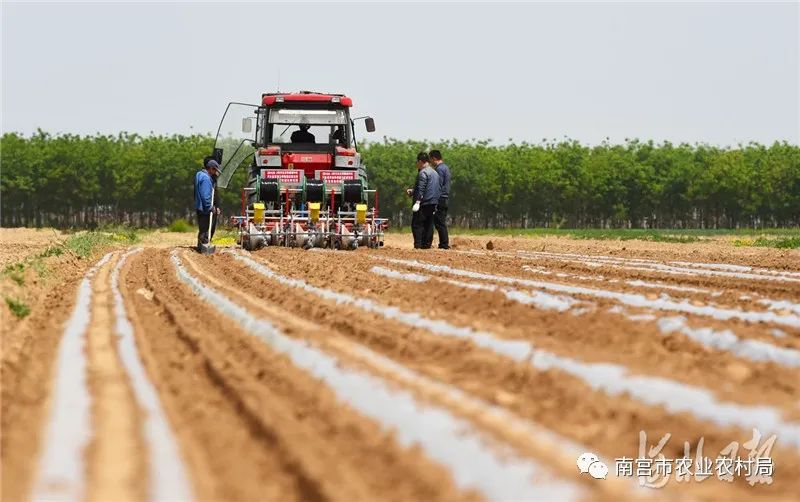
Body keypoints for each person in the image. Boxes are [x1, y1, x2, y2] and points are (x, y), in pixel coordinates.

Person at [408, 152, 441, 249]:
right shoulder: (435, 173)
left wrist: (417, 202)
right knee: (429, 224)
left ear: (420, 161)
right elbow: (435, 188)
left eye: (417, 162)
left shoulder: (423, 173)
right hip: (433, 202)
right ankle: (427, 244)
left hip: (423, 203)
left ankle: (418, 245)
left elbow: (421, 189)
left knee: (417, 224)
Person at [195, 158, 221, 251]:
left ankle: (200, 248)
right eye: (214, 170)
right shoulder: (206, 179)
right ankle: (205, 250)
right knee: (206, 231)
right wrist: (210, 208)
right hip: (205, 209)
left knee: (202, 229)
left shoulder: (199, 174)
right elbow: (205, 196)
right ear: (210, 168)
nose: (215, 173)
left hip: (199, 207)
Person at [429, 150, 451, 249]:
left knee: (439, 222)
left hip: (440, 198)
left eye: (430, 160)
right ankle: (444, 243)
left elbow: (438, 185)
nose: (430, 163)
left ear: (434, 158)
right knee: (441, 222)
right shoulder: (445, 167)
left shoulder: (439, 169)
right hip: (445, 198)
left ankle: (444, 244)